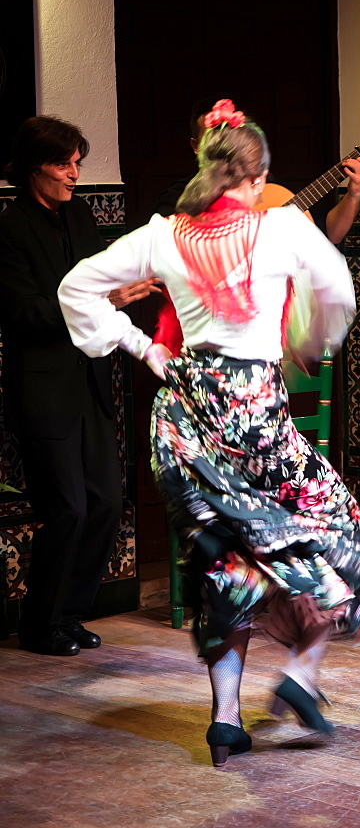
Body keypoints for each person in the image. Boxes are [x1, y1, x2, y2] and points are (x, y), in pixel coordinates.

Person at [58, 100, 360, 766]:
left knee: (224, 567)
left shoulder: (163, 235)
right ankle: (300, 675)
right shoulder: (284, 229)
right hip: (253, 418)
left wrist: (144, 350)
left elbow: (75, 287)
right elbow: (339, 297)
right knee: (332, 536)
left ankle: (226, 720)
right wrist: (307, 341)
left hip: (184, 425)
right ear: (257, 173)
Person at [0, 116, 159, 656]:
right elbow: (23, 315)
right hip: (43, 390)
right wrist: (104, 302)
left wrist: (129, 288)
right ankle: (39, 623)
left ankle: (70, 613)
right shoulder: (10, 228)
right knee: (67, 507)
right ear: (33, 169)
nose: (74, 174)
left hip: (89, 382)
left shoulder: (81, 216)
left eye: (77, 163)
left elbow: (101, 283)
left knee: (107, 503)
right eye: (65, 164)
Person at [158, 97, 360, 244]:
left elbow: (331, 233)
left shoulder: (271, 190)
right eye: (212, 138)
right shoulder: (178, 197)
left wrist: (354, 193)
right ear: (196, 146)